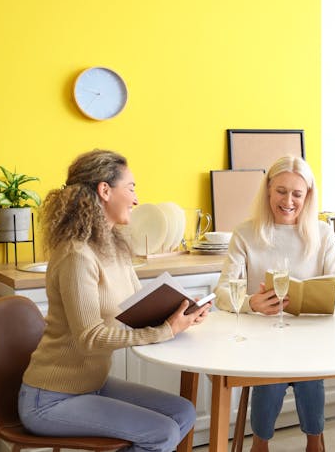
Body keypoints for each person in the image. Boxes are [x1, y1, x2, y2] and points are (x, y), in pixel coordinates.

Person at [18, 149, 211, 452]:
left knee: (183, 412)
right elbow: (89, 338)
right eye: (131, 188)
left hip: (92, 384)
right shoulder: (76, 255)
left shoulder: (112, 247)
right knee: (161, 433)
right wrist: (165, 331)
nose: (136, 199)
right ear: (105, 190)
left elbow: (137, 308)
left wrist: (182, 313)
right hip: (50, 398)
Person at [214, 154, 335, 452]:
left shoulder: (323, 234)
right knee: (271, 370)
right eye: (281, 191)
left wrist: (314, 296)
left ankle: (315, 442)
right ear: (269, 191)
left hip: (309, 335)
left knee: (309, 369)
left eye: (297, 194)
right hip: (262, 337)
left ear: (307, 197)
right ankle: (260, 443)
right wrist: (251, 303)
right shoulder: (246, 233)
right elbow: (222, 291)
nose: (288, 200)